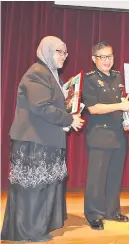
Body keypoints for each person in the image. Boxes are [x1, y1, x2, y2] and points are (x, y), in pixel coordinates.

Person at [1, 36, 84, 242]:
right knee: (33, 188)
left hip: (43, 140)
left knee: (43, 185)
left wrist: (70, 110)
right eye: (59, 51)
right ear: (46, 51)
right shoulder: (37, 73)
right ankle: (28, 232)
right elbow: (41, 107)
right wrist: (68, 118)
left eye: (65, 52)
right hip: (34, 142)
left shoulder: (50, 74)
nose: (64, 56)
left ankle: (37, 228)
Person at [82, 41, 129, 230]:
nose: (107, 61)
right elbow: (93, 108)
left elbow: (124, 101)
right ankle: (94, 214)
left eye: (110, 56)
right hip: (99, 135)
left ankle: (112, 211)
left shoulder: (118, 76)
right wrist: (120, 106)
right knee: (97, 178)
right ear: (94, 59)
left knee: (115, 175)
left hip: (118, 134)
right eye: (103, 57)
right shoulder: (89, 79)